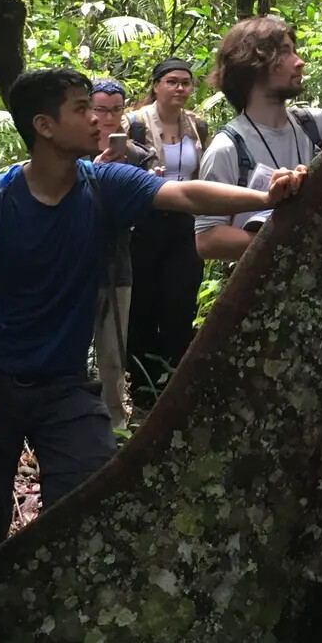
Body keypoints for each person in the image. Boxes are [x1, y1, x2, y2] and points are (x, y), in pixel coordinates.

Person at [0, 67, 305, 567]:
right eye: (80, 109)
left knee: (87, 499)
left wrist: (266, 197)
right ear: (44, 126)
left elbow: (185, 195)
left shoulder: (101, 184)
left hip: (64, 385)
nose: (97, 119)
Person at [196, 14, 322, 260]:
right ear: (254, 62)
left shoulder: (316, 125)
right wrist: (291, 242)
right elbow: (207, 239)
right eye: (286, 52)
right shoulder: (228, 147)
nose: (299, 62)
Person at [122, 58, 210, 408]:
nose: (180, 89)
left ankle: (174, 380)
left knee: (180, 300)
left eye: (186, 83)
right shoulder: (135, 124)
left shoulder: (198, 126)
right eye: (172, 81)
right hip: (144, 221)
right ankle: (143, 387)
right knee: (142, 303)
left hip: (185, 220)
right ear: (156, 85)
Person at [88, 78, 146, 429]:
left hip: (119, 266)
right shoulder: (71, 147)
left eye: (116, 109)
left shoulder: (136, 154)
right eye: (100, 109)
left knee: (112, 354)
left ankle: (115, 424)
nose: (108, 117)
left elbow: (141, 214)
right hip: (75, 265)